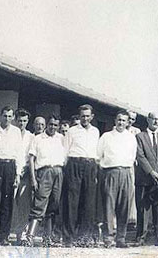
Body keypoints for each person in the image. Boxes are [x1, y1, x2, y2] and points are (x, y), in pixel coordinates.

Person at [97, 111, 137, 248]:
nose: (121, 123)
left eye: (124, 120)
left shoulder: (131, 138)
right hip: (110, 172)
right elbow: (99, 156)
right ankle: (108, 238)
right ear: (115, 120)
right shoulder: (106, 136)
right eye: (119, 120)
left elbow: (132, 157)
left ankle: (121, 238)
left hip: (126, 172)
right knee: (109, 206)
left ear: (127, 123)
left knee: (124, 207)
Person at [25, 115, 66, 246]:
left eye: (55, 125)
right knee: (39, 203)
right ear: (46, 125)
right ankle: (29, 236)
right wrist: (33, 179)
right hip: (44, 172)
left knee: (54, 204)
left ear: (58, 126)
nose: (52, 127)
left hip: (58, 171)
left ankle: (47, 237)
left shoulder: (62, 139)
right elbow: (31, 159)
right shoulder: (38, 139)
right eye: (50, 124)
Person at [0, 106, 23, 245]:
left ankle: (3, 236)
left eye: (10, 116)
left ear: (13, 118)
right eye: (5, 116)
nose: (7, 119)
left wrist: (18, 174)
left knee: (7, 204)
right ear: (1, 115)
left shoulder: (16, 132)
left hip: (10, 167)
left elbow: (19, 154)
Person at [64, 104, 100, 246]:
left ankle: (84, 237)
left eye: (87, 116)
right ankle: (69, 237)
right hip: (74, 164)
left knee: (89, 202)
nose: (85, 118)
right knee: (72, 201)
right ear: (79, 116)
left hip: (90, 165)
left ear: (92, 117)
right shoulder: (72, 131)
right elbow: (66, 150)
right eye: (82, 116)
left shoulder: (96, 131)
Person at [134, 112, 158, 245]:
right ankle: (141, 237)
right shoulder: (139, 137)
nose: (156, 121)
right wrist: (151, 172)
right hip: (145, 179)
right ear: (148, 120)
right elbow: (140, 156)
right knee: (143, 209)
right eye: (154, 119)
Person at [10, 110, 36, 242]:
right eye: (20, 120)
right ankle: (8, 231)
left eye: (25, 121)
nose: (22, 123)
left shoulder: (31, 136)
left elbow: (30, 156)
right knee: (10, 202)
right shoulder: (11, 133)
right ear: (15, 120)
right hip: (11, 171)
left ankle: (21, 233)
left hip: (24, 173)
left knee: (23, 205)